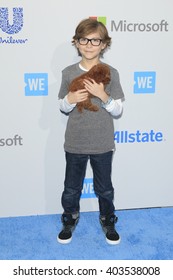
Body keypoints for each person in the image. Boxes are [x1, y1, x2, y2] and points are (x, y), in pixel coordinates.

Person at [57, 18, 124, 245]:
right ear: (76, 42)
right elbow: (62, 106)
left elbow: (118, 110)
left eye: (95, 40)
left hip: (102, 143)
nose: (89, 44)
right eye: (84, 39)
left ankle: (107, 219)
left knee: (104, 188)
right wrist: (70, 98)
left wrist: (103, 96)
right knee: (71, 187)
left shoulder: (111, 72)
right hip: (75, 142)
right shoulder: (68, 72)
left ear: (104, 44)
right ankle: (69, 218)